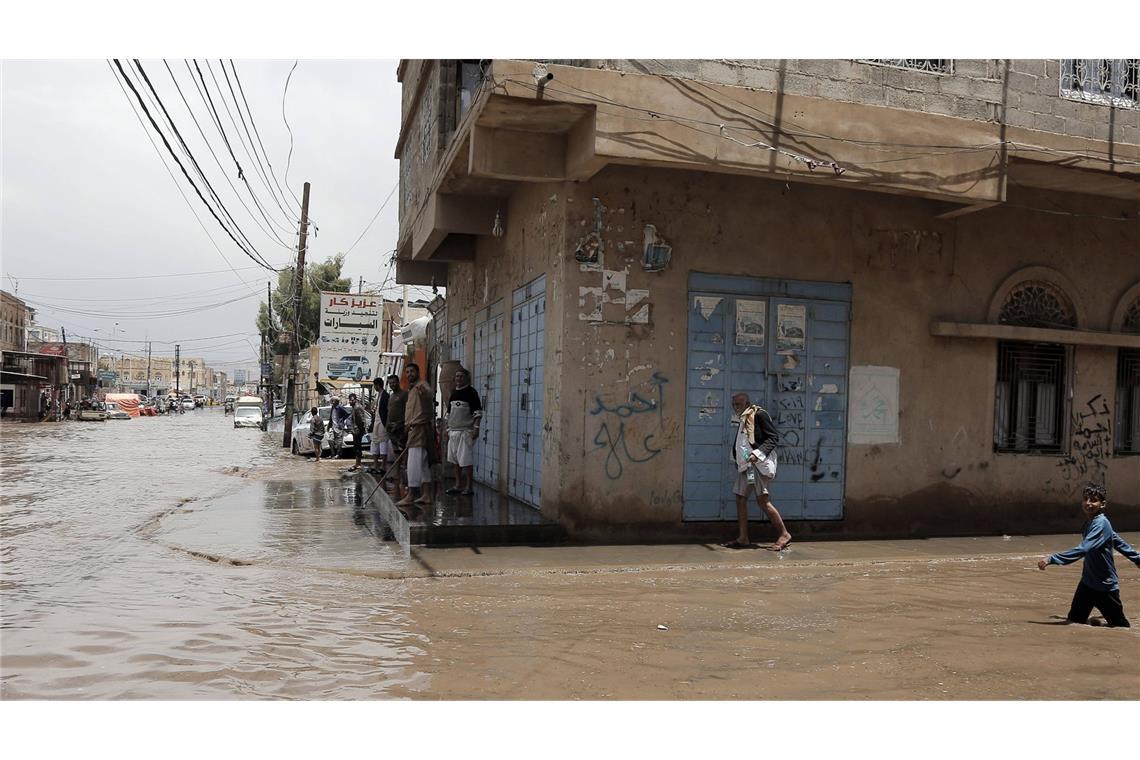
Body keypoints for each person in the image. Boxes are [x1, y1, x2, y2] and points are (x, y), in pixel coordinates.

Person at [1038, 482, 1140, 627]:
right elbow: (1117, 541)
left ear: (1102, 504)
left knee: (1121, 628)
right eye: (1085, 499)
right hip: (1087, 584)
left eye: (1093, 500)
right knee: (1074, 621)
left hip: (1105, 587)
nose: (1088, 503)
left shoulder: (1101, 523)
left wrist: (1052, 559)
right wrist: (1137, 558)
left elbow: (1083, 549)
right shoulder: (1091, 523)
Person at [722, 392, 792, 551]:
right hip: (747, 467)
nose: (735, 407)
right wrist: (738, 458)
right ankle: (743, 538)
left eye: (738, 404)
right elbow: (742, 442)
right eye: (734, 405)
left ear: (747, 403)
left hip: (758, 465)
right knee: (740, 498)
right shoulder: (742, 418)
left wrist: (757, 454)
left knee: (762, 500)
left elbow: (773, 438)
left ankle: (784, 534)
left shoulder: (759, 415)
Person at [396, 363, 434, 507]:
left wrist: (423, 390)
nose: (409, 374)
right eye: (407, 372)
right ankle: (426, 495)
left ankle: (411, 495)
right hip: (414, 429)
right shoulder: (412, 389)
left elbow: (428, 393)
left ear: (418, 372)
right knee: (423, 464)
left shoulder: (421, 385)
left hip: (419, 428)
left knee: (413, 463)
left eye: (412, 371)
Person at [444, 367, 482, 496]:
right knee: (455, 461)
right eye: (457, 376)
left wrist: (476, 428)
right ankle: (458, 485)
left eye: (461, 376)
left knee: (465, 461)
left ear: (466, 378)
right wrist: (446, 428)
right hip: (453, 431)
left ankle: (469, 487)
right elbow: (449, 412)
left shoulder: (471, 392)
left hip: (465, 431)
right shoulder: (454, 392)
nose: (458, 379)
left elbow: (477, 412)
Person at [384, 374, 408, 491]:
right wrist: (388, 425)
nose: (392, 384)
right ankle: (397, 474)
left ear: (398, 382)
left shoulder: (404, 395)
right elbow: (389, 412)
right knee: (396, 452)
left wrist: (400, 424)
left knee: (403, 453)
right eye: (390, 383)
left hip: (401, 428)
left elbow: (408, 411)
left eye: (394, 382)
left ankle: (405, 477)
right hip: (392, 430)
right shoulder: (391, 396)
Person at [367, 378, 390, 476]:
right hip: (376, 422)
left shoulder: (385, 396)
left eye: (374, 385)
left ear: (377, 385)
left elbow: (387, 411)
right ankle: (376, 465)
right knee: (375, 442)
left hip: (382, 423)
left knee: (383, 443)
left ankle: (383, 466)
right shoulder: (379, 396)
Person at [346, 393, 369, 472]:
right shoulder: (354, 407)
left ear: (355, 400)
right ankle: (357, 463)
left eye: (352, 400)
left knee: (357, 447)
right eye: (349, 400)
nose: (350, 401)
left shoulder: (357, 407)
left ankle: (358, 464)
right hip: (356, 430)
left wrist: (360, 429)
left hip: (358, 431)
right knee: (356, 447)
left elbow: (361, 420)